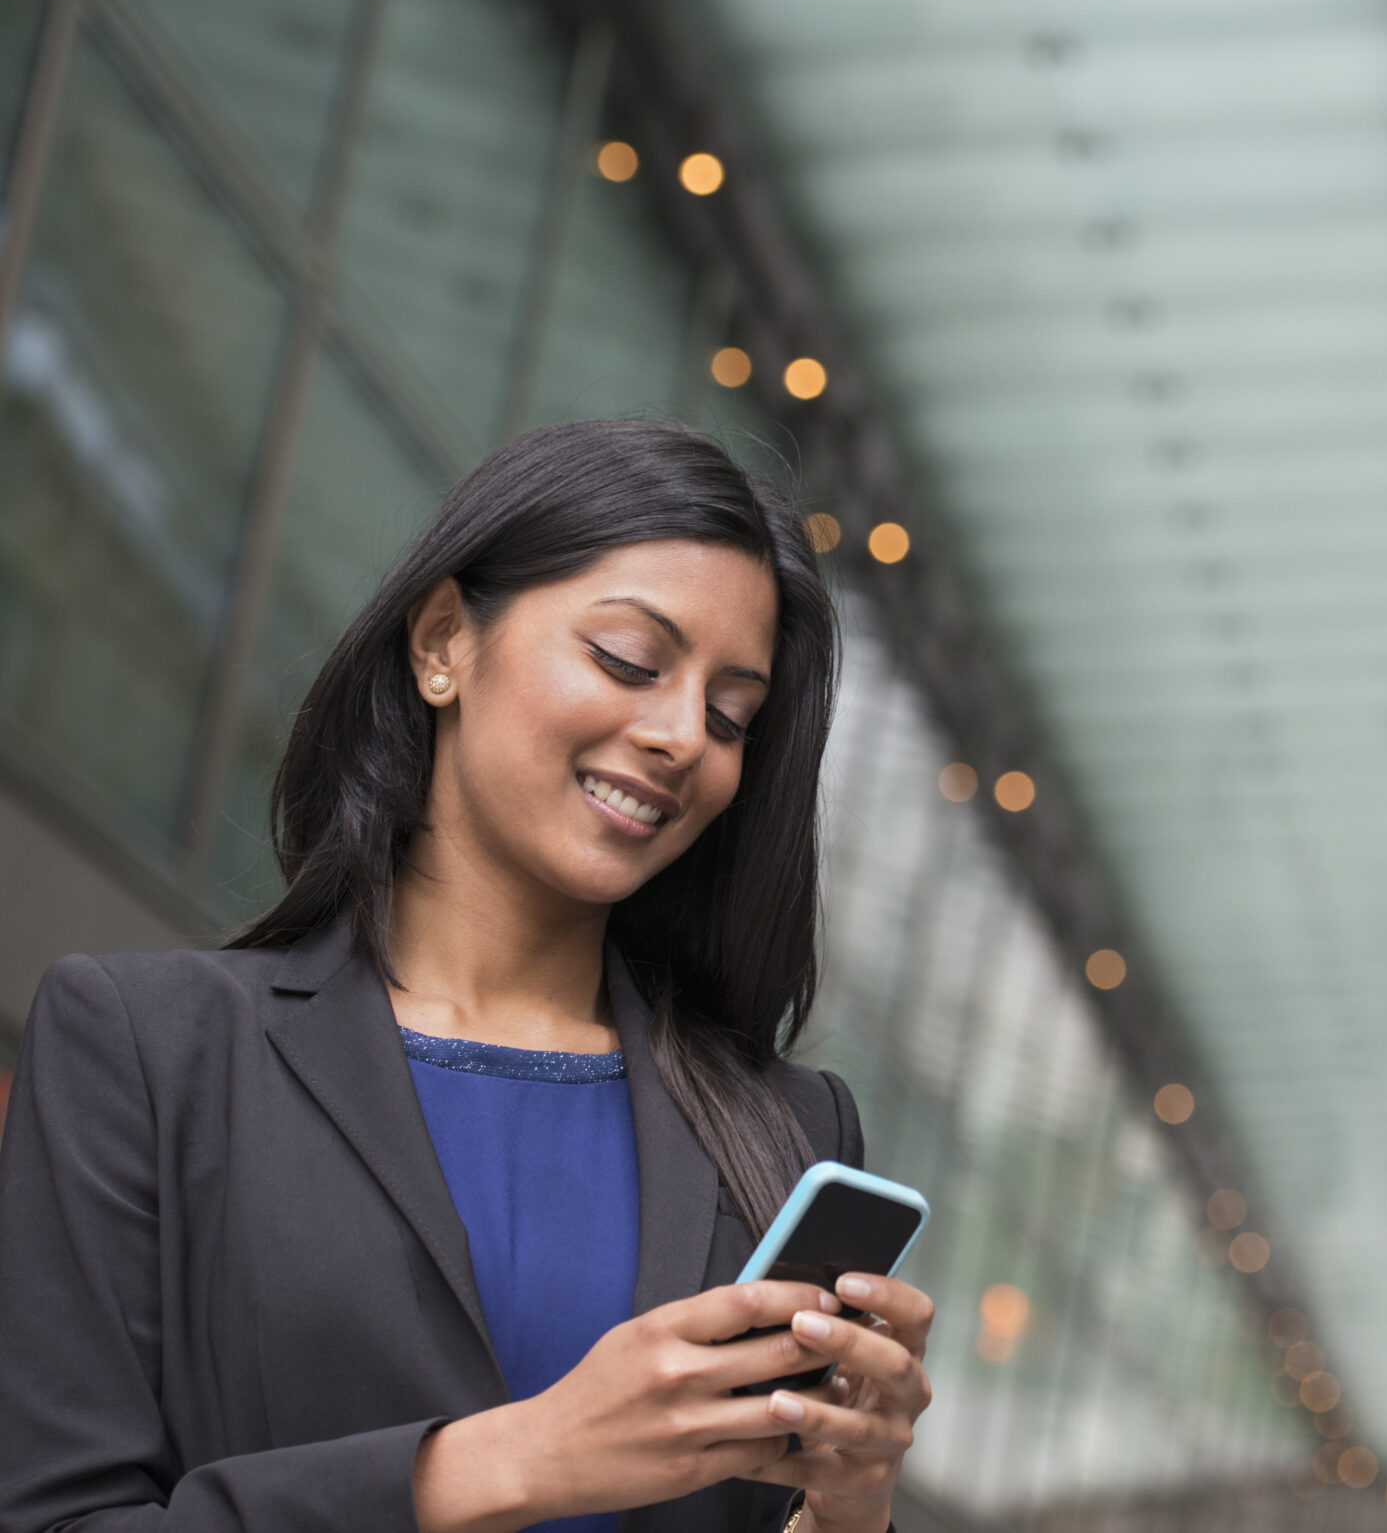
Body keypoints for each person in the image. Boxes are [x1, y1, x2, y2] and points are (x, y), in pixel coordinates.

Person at [0, 421, 933, 1533]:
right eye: (631, 661)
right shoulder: (151, 1052)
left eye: (732, 715)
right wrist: (512, 1461)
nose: (683, 734)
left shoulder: (785, 1131)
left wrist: (852, 1506)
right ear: (444, 639)